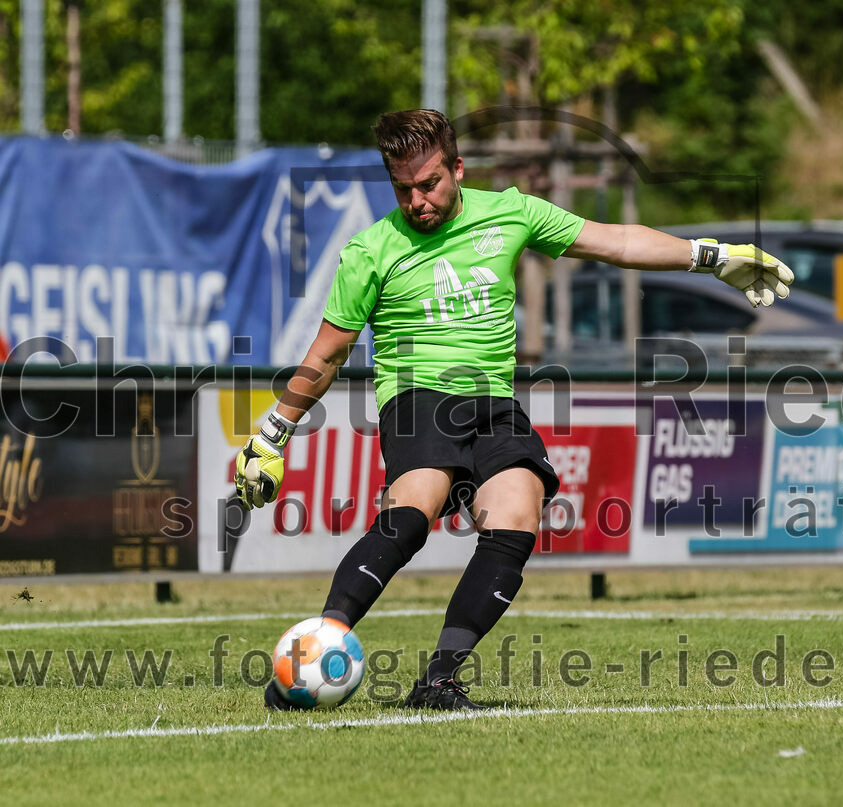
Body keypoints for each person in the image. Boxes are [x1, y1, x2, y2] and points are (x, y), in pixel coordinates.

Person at [236, 109, 794, 711]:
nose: (417, 200)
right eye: (403, 189)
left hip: (494, 404)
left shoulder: (511, 212)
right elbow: (328, 352)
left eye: (429, 184)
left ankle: (439, 682)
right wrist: (274, 432)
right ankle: (317, 650)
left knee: (519, 512)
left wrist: (709, 256)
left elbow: (618, 240)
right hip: (419, 399)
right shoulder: (370, 251)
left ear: (458, 169)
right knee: (414, 510)